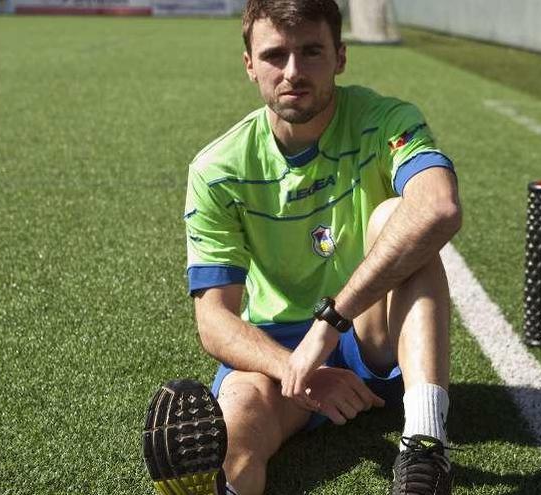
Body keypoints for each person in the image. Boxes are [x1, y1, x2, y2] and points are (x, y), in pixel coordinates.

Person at [142, 1, 461, 494]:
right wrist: (298, 369)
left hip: (368, 333)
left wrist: (328, 327)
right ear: (249, 64)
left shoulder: (385, 121)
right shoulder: (217, 168)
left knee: (402, 219)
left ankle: (424, 446)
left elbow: (438, 207)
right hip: (278, 356)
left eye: (311, 52)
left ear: (340, 56)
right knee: (237, 431)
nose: (293, 72)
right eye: (274, 55)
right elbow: (215, 321)